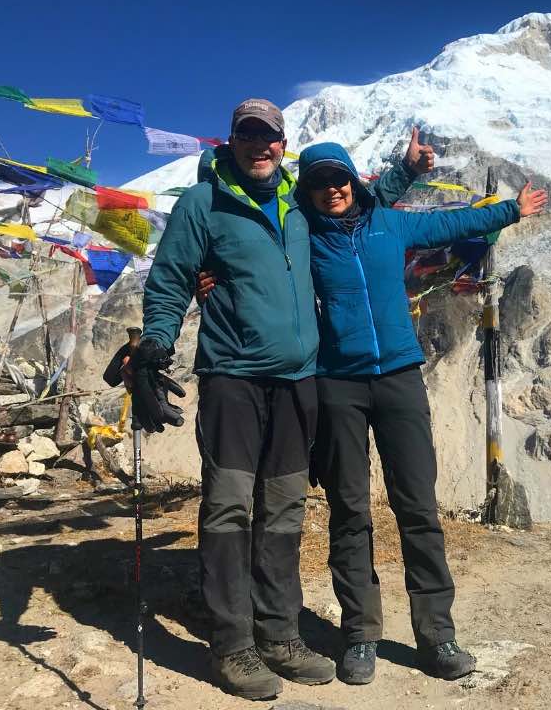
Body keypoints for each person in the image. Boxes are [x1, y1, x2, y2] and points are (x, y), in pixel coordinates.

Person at [118, 99, 432, 701]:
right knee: (230, 506)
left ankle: (281, 633)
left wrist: (405, 172)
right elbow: (171, 278)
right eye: (249, 135)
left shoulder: (298, 201)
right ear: (232, 140)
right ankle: (233, 644)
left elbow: (357, 202)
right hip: (233, 378)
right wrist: (157, 340)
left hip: (299, 381)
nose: (260, 146)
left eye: (270, 137)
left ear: (283, 143)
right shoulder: (202, 203)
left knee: (286, 507)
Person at [294, 142, 547, 685]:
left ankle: (437, 634)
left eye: (339, 178)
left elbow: (451, 222)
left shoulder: (391, 225)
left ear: (353, 182)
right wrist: (210, 276)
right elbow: (256, 262)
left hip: (401, 378)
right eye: (320, 182)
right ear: (307, 191)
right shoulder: (303, 236)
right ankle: (360, 633)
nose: (332, 188)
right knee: (349, 508)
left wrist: (510, 210)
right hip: (337, 382)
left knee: (418, 506)